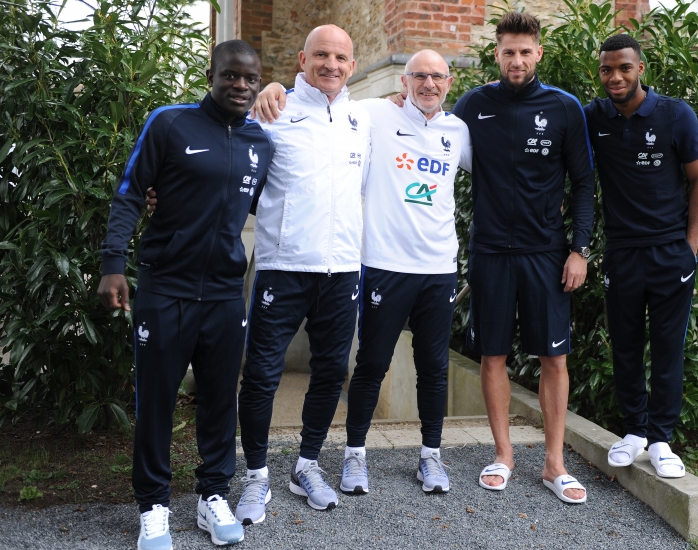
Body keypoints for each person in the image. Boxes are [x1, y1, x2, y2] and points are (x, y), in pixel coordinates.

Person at [253, 49, 472, 495]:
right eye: (419, 76)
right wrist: (274, 87)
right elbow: (319, 99)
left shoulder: (459, 131)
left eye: (437, 77)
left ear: (450, 83)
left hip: (439, 267)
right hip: (383, 264)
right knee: (370, 364)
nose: (429, 84)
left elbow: (504, 170)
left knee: (434, 367)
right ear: (404, 82)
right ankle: (355, 455)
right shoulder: (372, 113)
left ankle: (430, 456)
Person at [98, 40, 272, 550]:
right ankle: (153, 505)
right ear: (211, 76)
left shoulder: (261, 142)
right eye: (230, 76)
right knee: (156, 399)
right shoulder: (170, 123)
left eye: (250, 78)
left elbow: (261, 203)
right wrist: (113, 266)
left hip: (223, 293)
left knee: (220, 399)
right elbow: (131, 191)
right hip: (165, 288)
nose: (240, 86)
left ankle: (211, 495)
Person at [450, 12, 595, 503]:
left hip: (546, 253)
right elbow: (428, 133)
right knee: (493, 355)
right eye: (508, 51)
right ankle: (504, 455)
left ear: (538, 53)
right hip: (490, 251)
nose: (516, 59)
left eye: (524, 51)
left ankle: (554, 465)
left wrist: (580, 250)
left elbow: (585, 184)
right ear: (497, 53)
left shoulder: (564, 108)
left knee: (554, 357)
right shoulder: (473, 105)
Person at [233, 24, 370, 519]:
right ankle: (255, 477)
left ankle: (306, 464)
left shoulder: (362, 119)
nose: (331, 64)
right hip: (282, 268)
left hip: (342, 272)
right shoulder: (272, 111)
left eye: (340, 57)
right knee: (262, 375)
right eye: (321, 55)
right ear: (302, 58)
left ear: (353, 65)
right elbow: (233, 167)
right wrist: (265, 91)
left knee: (332, 370)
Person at [584, 34, 698, 478]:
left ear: (641, 69)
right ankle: (634, 431)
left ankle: (661, 441)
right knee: (626, 347)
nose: (615, 77)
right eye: (606, 69)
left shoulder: (676, 115)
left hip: (670, 255)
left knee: (668, 349)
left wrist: (689, 249)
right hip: (621, 254)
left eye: (624, 68)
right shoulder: (593, 118)